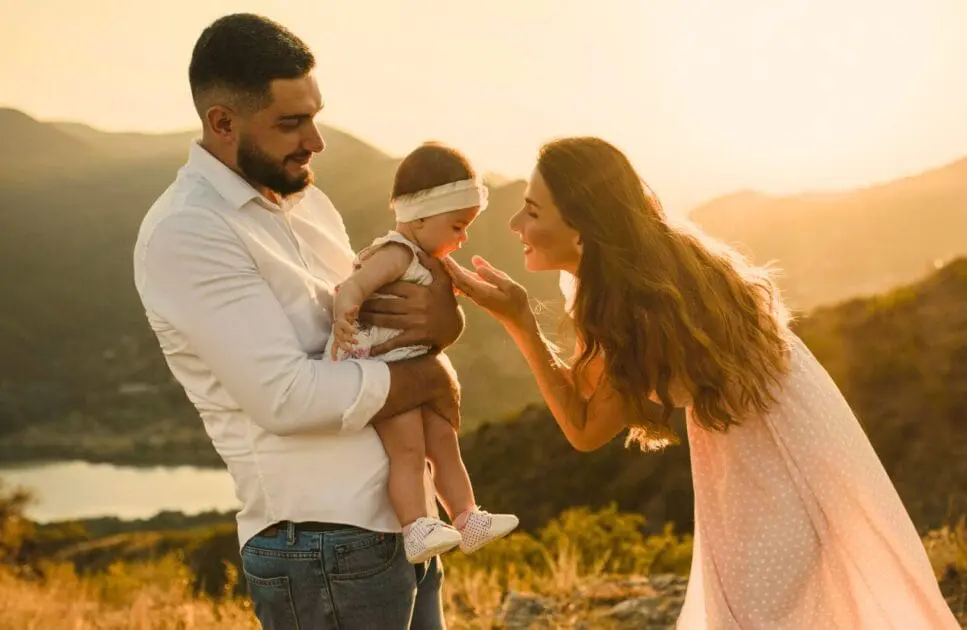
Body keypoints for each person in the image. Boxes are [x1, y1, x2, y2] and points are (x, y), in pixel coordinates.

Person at [444, 136, 960, 629]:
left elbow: (584, 428)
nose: (514, 222)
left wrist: (519, 323)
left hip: (772, 464)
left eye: (532, 211)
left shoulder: (633, 306)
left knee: (762, 611)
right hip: (768, 447)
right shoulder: (635, 271)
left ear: (582, 231)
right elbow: (587, 397)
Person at [133, 13, 459, 629]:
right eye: (291, 122)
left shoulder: (308, 201)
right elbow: (285, 398)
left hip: (400, 525)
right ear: (221, 122)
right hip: (321, 543)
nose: (316, 141)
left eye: (314, 115)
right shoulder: (189, 230)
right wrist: (432, 378)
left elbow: (377, 333)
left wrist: (443, 328)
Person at [326, 142, 519, 564]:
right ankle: (416, 525)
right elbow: (355, 286)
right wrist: (344, 314)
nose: (463, 236)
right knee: (409, 448)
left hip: (416, 370)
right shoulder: (395, 253)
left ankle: (467, 517)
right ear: (421, 216)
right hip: (387, 371)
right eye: (457, 225)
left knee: (445, 442)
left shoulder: (429, 258)